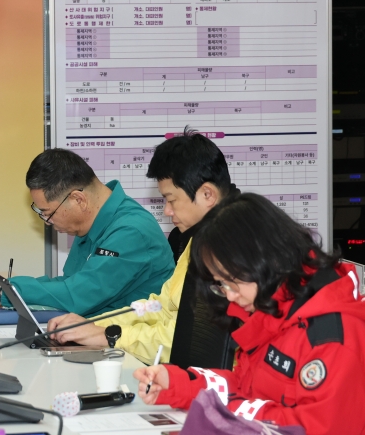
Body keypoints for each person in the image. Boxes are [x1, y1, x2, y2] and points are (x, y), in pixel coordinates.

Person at [135, 194, 365, 435]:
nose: (229, 296)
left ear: (266, 260)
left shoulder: (331, 334)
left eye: (232, 281)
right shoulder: (273, 308)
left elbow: (314, 428)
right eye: (221, 284)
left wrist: (227, 412)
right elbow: (245, 386)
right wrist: (176, 384)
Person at [47, 130, 239, 363]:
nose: (167, 211)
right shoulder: (202, 235)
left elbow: (189, 340)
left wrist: (110, 336)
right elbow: (160, 306)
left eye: (171, 200)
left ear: (207, 194)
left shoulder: (233, 248)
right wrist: (96, 325)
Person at [0, 148, 173, 318]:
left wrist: (12, 290)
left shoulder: (131, 231)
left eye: (49, 213)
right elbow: (70, 282)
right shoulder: (91, 223)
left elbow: (78, 295)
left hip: (132, 351)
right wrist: (9, 291)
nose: (48, 222)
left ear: (78, 199)